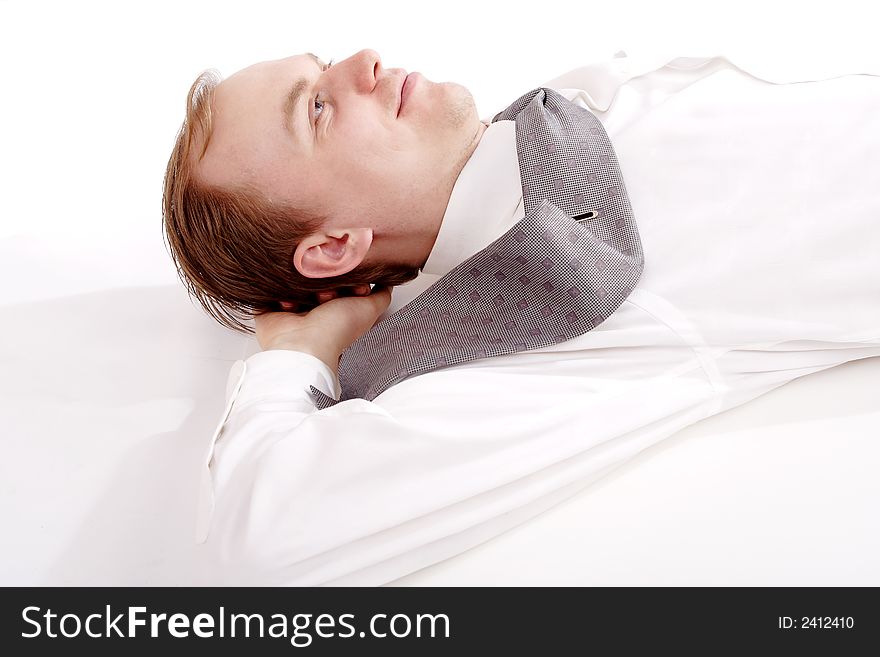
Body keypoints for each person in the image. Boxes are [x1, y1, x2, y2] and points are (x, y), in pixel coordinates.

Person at [162, 49, 880, 585]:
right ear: (333, 247)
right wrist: (296, 354)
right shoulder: (553, 300)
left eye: (324, 62)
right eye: (316, 107)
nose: (366, 61)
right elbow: (262, 541)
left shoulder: (555, 112)